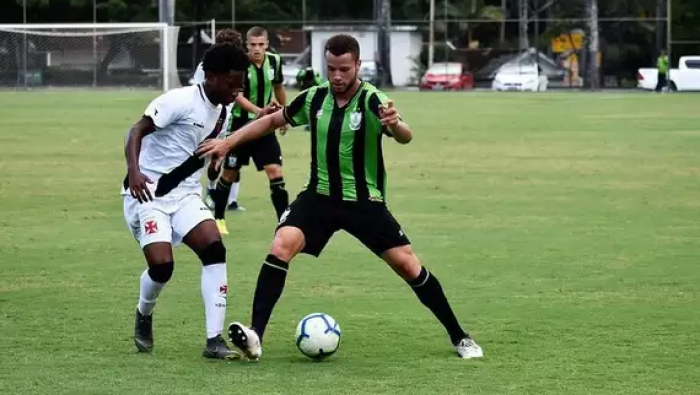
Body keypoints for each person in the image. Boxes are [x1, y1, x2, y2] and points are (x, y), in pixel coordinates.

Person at [197, 34, 484, 360]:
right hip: (318, 198)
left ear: (357, 66)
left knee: (408, 266)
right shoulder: (314, 98)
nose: (336, 76)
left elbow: (403, 134)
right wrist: (228, 142)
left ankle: (460, 337)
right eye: (331, 68)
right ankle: (254, 337)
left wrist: (396, 125)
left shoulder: (373, 100)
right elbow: (272, 121)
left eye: (344, 69)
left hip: (364, 202)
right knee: (280, 246)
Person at [122, 42, 250, 359]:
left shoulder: (224, 109)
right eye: (232, 84)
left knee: (214, 247)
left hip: (185, 193)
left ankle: (213, 340)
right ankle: (144, 313)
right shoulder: (180, 100)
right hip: (148, 191)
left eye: (241, 85)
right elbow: (135, 131)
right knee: (162, 266)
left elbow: (200, 151)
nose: (237, 91)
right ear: (211, 77)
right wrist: (135, 173)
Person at [211, 26, 289, 235]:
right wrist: (259, 111)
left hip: (265, 128)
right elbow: (237, 95)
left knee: (275, 171)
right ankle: (218, 218)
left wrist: (284, 116)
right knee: (229, 173)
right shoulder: (240, 64)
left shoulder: (275, 62)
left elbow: (279, 88)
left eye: (260, 45)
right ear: (247, 45)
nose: (257, 49)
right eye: (253, 45)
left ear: (266, 45)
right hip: (241, 127)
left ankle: (283, 222)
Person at [193, 29, 247, 213]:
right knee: (207, 158)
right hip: (207, 120)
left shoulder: (239, 67)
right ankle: (206, 189)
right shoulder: (206, 67)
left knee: (229, 159)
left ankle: (228, 198)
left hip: (229, 118)